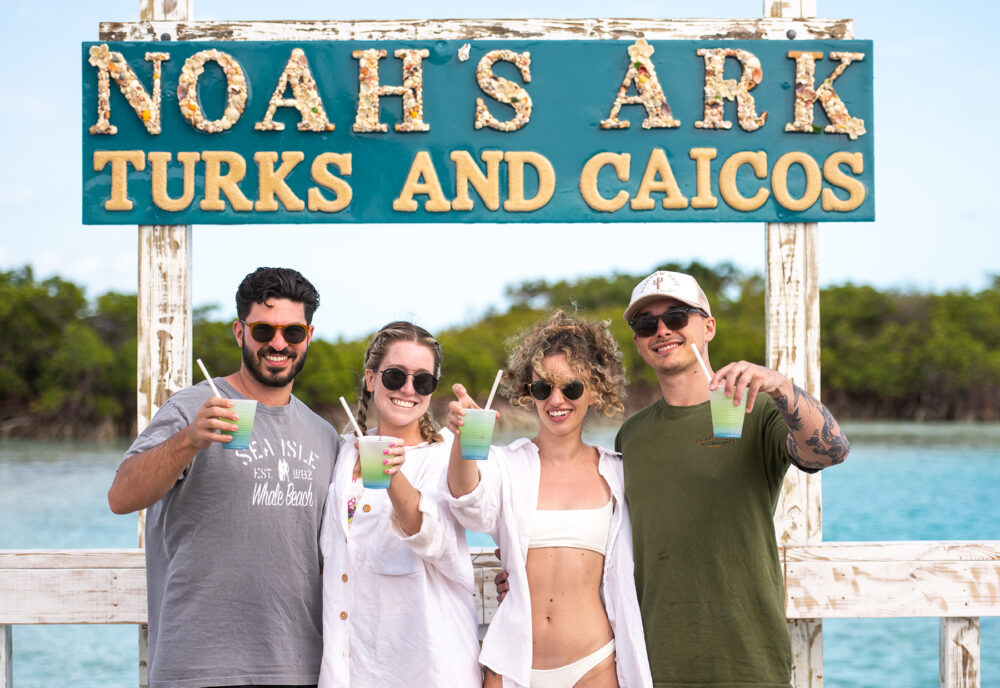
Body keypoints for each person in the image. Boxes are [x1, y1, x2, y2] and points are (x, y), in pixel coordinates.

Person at [615, 269, 851, 688]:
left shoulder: (757, 411)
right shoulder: (630, 437)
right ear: (638, 340)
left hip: (749, 660)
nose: (662, 330)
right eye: (646, 324)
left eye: (676, 316)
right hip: (653, 662)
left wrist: (780, 386)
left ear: (707, 327)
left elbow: (831, 451)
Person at [108, 267, 338, 688]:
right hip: (195, 667)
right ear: (240, 331)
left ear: (309, 335)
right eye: (264, 329)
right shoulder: (192, 406)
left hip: (300, 667)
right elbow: (122, 496)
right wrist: (190, 439)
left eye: (294, 332)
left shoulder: (324, 435)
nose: (278, 343)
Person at [447, 310, 653, 688]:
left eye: (570, 387)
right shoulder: (506, 465)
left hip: (593, 665)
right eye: (543, 388)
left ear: (594, 390)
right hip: (512, 665)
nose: (556, 399)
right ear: (530, 392)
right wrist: (463, 439)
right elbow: (467, 501)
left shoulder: (618, 473)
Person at [318, 321, 480, 688]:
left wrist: (391, 474)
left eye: (422, 381)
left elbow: (432, 535)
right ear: (371, 379)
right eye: (395, 376)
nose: (408, 389)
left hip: (428, 670)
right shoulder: (341, 453)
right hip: (349, 671)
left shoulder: (445, 458)